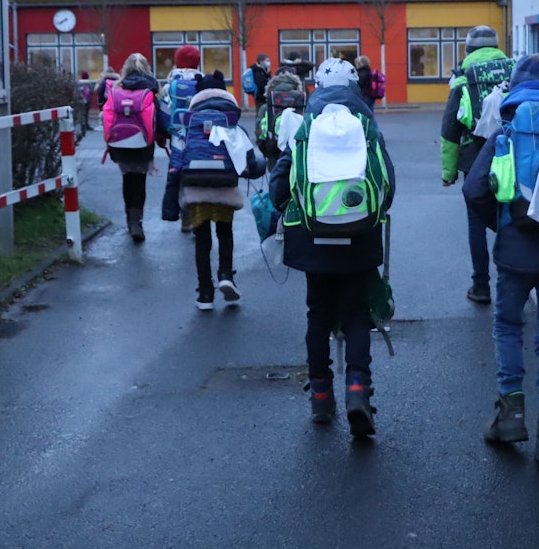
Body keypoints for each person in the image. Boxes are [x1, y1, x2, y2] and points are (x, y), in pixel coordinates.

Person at [462, 54, 539, 466]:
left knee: (509, 328)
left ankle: (511, 416)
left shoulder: (508, 130)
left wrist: (503, 224)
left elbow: (475, 190)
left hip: (516, 250)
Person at [269, 58, 396, 438]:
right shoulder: (367, 126)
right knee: (357, 315)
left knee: (318, 315)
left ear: (317, 89)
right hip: (359, 237)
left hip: (313, 239)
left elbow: (280, 186)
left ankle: (321, 395)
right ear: (356, 88)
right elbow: (387, 187)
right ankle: (358, 389)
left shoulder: (306, 128)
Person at [440, 26, 513, 304]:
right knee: (509, 213)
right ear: (497, 47)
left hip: (474, 157)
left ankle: (481, 285)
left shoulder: (462, 80)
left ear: (468, 51)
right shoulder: (514, 73)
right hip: (509, 154)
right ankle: (511, 279)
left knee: (476, 222)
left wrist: (448, 173)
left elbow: (449, 132)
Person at [181, 71, 265, 310]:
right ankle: (226, 275)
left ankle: (205, 293)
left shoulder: (188, 125)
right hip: (224, 188)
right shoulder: (231, 124)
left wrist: (173, 202)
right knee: (225, 233)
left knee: (202, 240)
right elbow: (252, 164)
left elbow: (177, 163)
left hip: (195, 189)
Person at [104, 53, 160, 243]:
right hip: (143, 143)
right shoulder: (151, 89)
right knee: (140, 180)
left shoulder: (117, 88)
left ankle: (130, 219)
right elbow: (158, 118)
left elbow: (107, 116)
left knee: (128, 179)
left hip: (119, 143)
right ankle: (137, 221)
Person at [159, 45, 203, 232]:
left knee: (178, 172)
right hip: (199, 135)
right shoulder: (203, 83)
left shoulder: (170, 85)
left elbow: (163, 114)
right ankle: (194, 215)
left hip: (177, 136)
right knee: (197, 174)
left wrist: (163, 135)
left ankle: (182, 216)